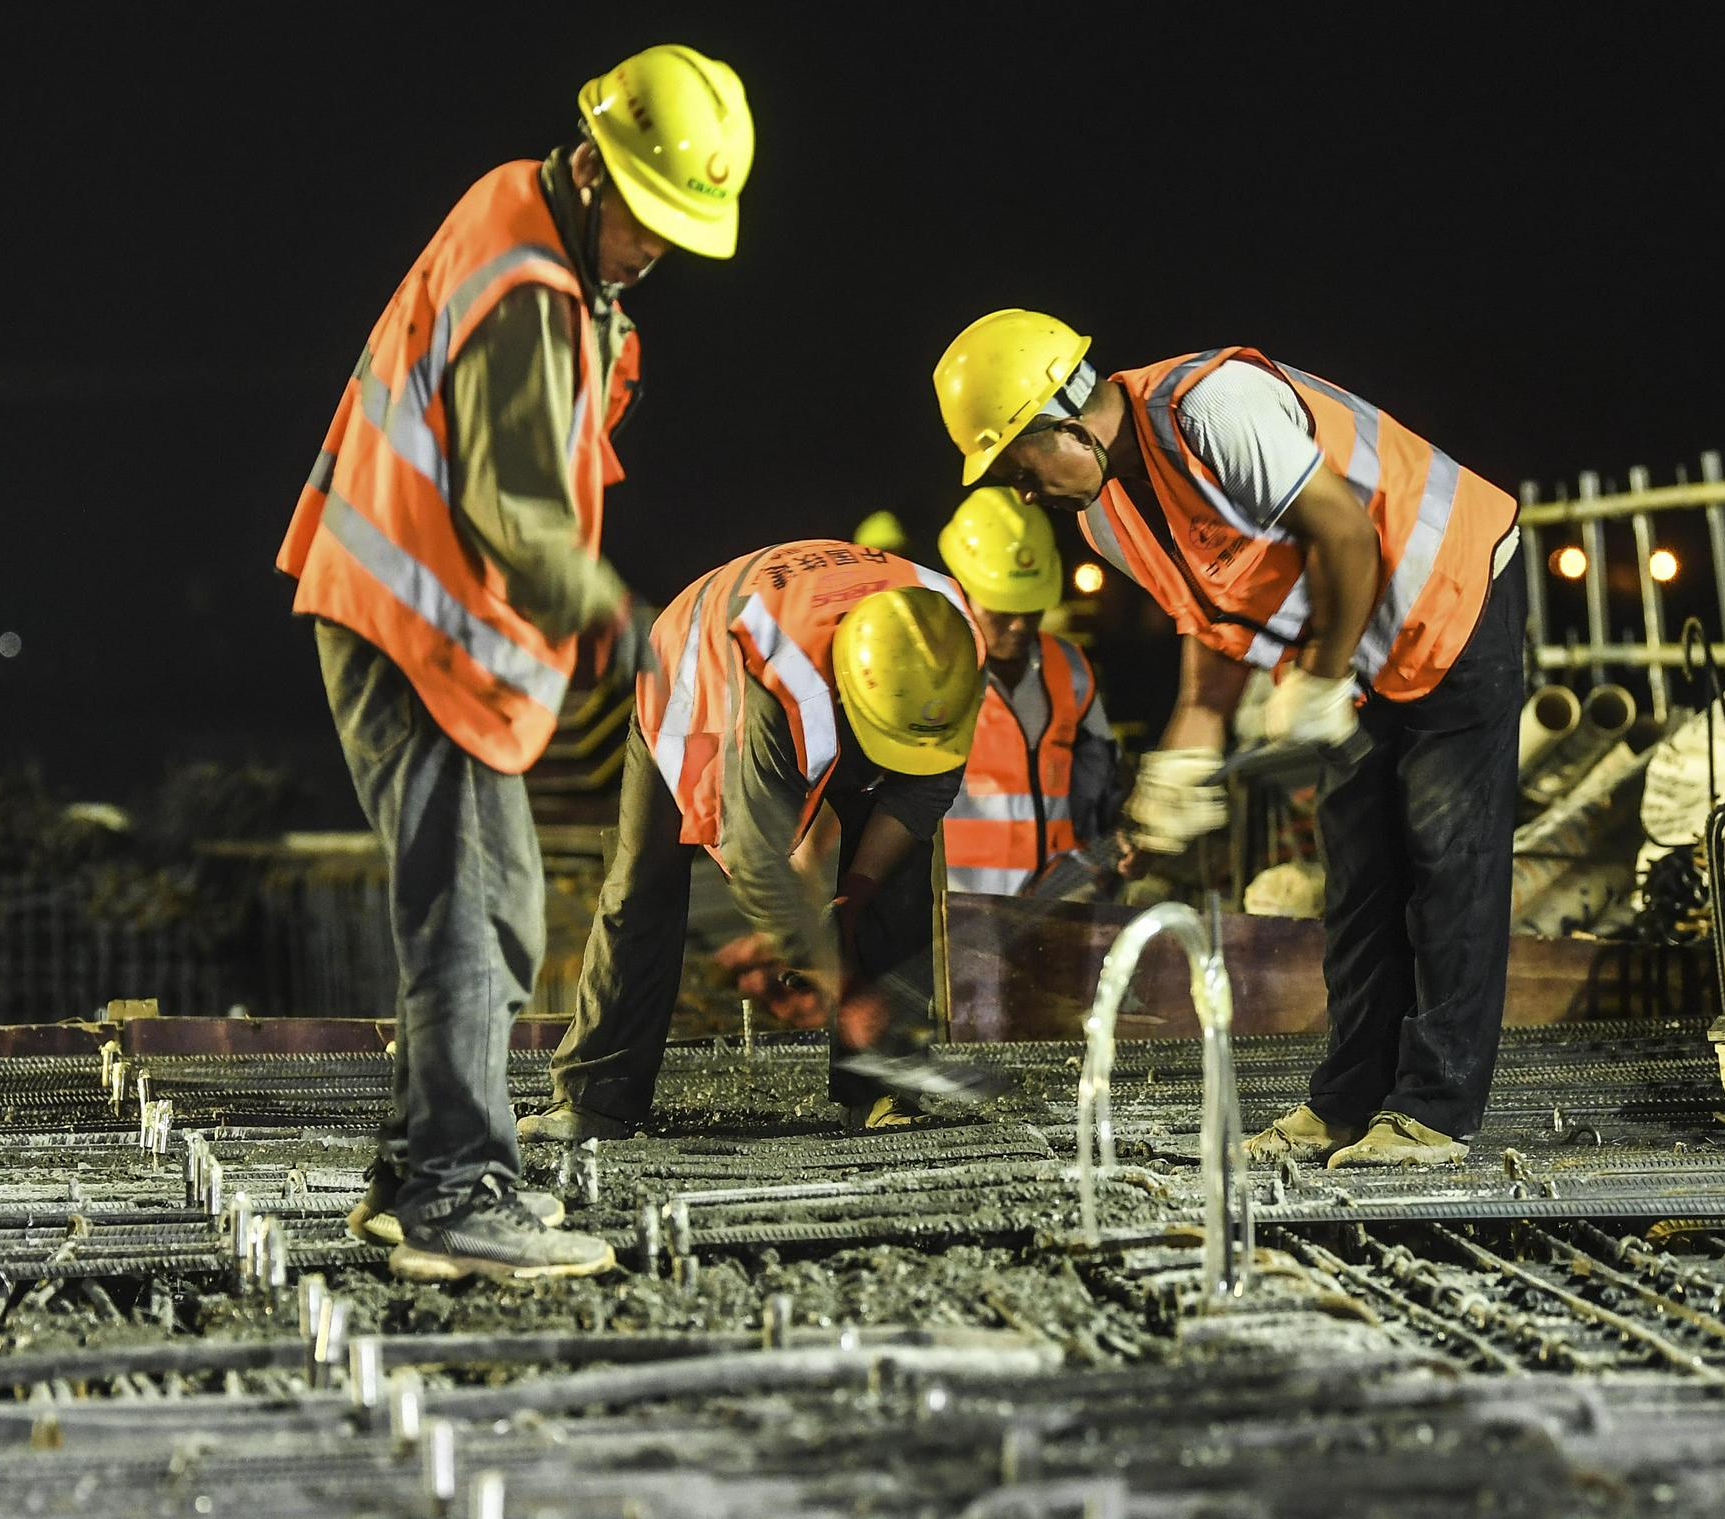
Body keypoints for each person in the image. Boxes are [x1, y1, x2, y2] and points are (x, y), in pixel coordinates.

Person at [274, 45, 754, 1280]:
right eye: (645, 223)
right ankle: (452, 1194)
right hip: (408, 621)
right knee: (479, 910)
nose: (651, 251)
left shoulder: (535, 239)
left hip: (407, 618)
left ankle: (418, 1173)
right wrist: (618, 626)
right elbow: (523, 505)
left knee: (475, 899)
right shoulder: (530, 281)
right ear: (591, 167)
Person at [933, 310, 1522, 1167]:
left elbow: (1346, 531)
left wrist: (1318, 679)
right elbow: (1214, 628)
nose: (1021, 491)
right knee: (1359, 880)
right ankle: (1348, 1102)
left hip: (1451, 598)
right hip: (1359, 651)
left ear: (1062, 418)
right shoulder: (1106, 521)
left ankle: (1436, 1108)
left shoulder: (1215, 409)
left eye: (1018, 465)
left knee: (1445, 859)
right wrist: (1180, 757)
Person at [517, 541, 983, 1142]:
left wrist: (854, 900)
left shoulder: (949, 643)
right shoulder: (777, 691)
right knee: (644, 882)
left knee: (895, 879)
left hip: (839, 662)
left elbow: (920, 794)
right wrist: (833, 980)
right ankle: (595, 1098)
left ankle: (881, 1091)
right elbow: (757, 857)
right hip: (695, 656)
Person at [936, 488, 1121, 895]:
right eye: (1003, 611)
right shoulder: (932, 674)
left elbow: (1099, 779)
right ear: (963, 588)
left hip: (1053, 905)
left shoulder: (1069, 666)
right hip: (956, 915)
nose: (1020, 626)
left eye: (1032, 609)